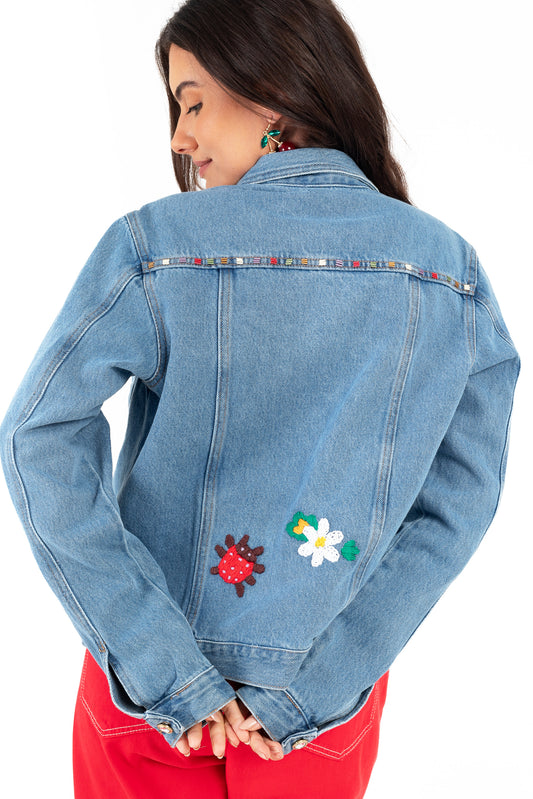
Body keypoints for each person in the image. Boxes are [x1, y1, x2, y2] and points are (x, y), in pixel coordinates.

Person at [0, 0, 520, 797]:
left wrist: (158, 664)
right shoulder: (448, 272)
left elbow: (37, 435)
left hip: (149, 708)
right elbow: (458, 502)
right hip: (317, 726)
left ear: (271, 91)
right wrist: (317, 688)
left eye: (193, 102)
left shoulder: (157, 245)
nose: (180, 138)